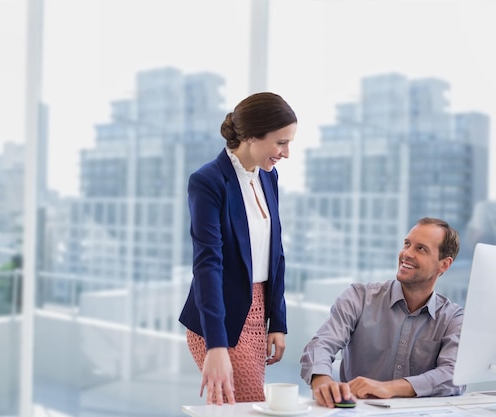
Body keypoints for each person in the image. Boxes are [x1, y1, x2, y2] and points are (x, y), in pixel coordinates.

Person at [179, 92, 297, 405]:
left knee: (234, 408)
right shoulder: (208, 181)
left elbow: (276, 253)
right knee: (248, 404)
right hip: (218, 318)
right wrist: (216, 346)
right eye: (280, 142)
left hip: (258, 314)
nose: (286, 153)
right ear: (252, 136)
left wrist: (278, 320)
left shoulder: (268, 177)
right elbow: (208, 265)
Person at [300, 217, 465, 408]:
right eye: (407, 244)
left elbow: (454, 375)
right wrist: (322, 381)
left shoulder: (452, 318)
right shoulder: (359, 297)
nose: (407, 254)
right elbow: (320, 344)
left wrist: (390, 388)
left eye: (421, 249)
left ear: (444, 264)